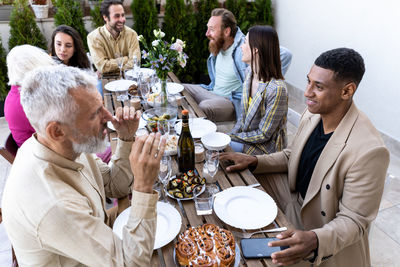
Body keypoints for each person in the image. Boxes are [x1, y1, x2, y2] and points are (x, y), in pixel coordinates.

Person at [220, 48, 389, 267]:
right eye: (308, 82)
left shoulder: (369, 150)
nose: (307, 92)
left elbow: (355, 221)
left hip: (321, 229)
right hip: (295, 200)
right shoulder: (313, 113)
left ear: (347, 91)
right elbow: (293, 156)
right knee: (232, 187)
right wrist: (255, 161)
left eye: (318, 87)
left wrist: (315, 239)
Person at [2, 65, 166, 266]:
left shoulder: (65, 146)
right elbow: (131, 264)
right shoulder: (53, 204)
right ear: (57, 131)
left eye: (103, 106)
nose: (109, 117)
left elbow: (115, 185)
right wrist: (143, 186)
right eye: (95, 114)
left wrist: (125, 138)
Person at [184, 8, 292, 122]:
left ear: (226, 32)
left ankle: (194, 137)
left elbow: (286, 54)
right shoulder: (218, 45)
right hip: (212, 92)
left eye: (211, 29)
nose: (207, 34)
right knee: (180, 89)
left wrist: (267, 79)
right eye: (207, 28)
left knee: (204, 108)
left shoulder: (244, 47)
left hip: (231, 101)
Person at [229, 25, 288, 155]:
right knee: (217, 146)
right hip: (247, 140)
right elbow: (242, 118)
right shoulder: (249, 73)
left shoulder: (277, 89)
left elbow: (263, 134)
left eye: (244, 42)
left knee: (219, 149)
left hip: (267, 149)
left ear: (255, 50)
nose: (241, 47)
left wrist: (231, 139)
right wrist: (231, 135)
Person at [4, 45, 56, 147]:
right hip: (44, 154)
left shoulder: (18, 92)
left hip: (44, 144)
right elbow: (58, 129)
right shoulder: (25, 101)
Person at [87, 0, 140, 76]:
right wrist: (125, 59)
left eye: (123, 15)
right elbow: (102, 66)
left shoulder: (132, 34)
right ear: (105, 17)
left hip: (129, 82)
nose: (122, 19)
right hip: (107, 83)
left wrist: (109, 69)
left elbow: (135, 63)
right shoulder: (94, 37)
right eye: (117, 16)